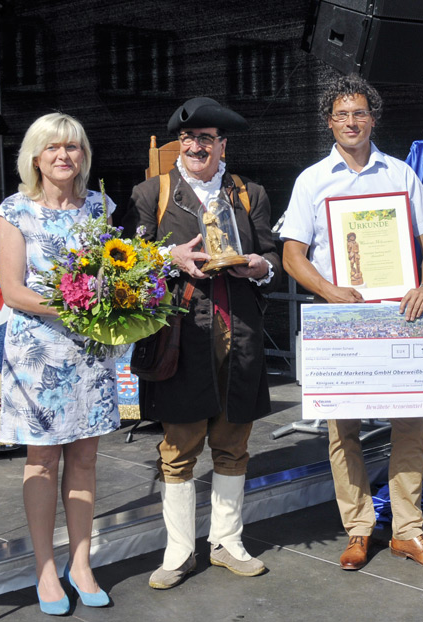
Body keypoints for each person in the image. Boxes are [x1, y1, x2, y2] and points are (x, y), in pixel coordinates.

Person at [279, 73, 423, 572]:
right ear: (329, 123)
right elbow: (293, 255)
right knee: (344, 432)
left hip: (404, 317)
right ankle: (358, 530)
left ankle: (408, 532)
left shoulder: (400, 174)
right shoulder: (312, 180)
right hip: (343, 321)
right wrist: (329, 290)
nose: (351, 122)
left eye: (359, 113)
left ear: (372, 118)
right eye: (341, 114)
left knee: (410, 428)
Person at [124, 97, 282, 589]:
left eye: (207, 139)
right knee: (179, 447)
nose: (197, 146)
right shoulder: (153, 192)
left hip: (240, 331)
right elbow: (129, 262)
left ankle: (227, 542)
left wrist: (257, 264)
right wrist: (167, 255)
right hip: (182, 335)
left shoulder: (248, 192)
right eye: (190, 139)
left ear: (222, 146)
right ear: (180, 146)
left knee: (233, 443)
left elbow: (270, 255)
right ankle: (177, 551)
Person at [0, 112, 118, 614]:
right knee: (43, 461)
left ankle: (81, 563)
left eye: (73, 147)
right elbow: (13, 291)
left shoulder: (100, 207)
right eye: (53, 148)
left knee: (86, 458)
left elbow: (117, 269)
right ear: (35, 158)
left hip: (90, 354)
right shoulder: (15, 210)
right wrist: (77, 303)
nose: (64, 156)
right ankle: (45, 569)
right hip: (38, 353)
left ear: (83, 156)